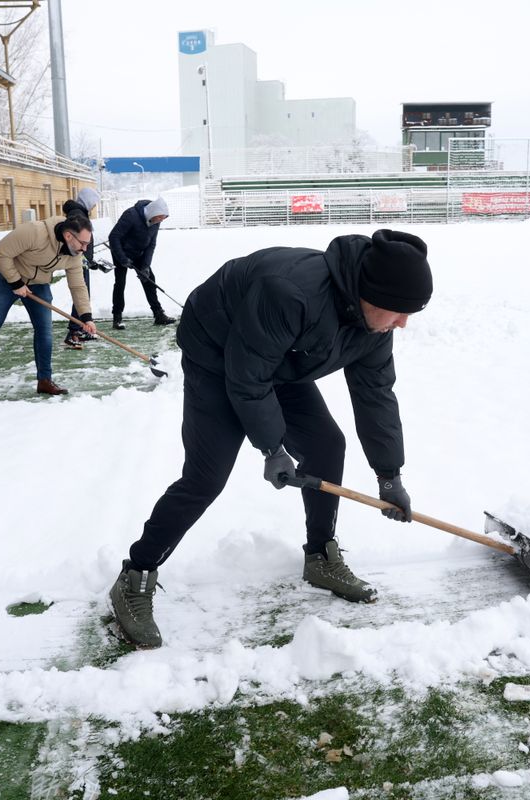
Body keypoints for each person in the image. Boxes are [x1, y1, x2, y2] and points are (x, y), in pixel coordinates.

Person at [108, 229, 433, 648]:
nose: (402, 324)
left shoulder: (374, 326)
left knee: (326, 446)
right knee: (206, 477)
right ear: (368, 293)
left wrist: (389, 475)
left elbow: (376, 396)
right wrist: (272, 447)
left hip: (279, 358)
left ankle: (320, 557)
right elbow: (246, 376)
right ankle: (135, 574)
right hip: (216, 350)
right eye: (398, 311)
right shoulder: (291, 292)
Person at [0, 213, 98, 401]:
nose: (85, 248)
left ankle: (44, 380)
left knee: (44, 330)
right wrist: (15, 282)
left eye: (87, 244)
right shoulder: (35, 232)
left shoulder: (75, 254)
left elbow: (77, 285)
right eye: (83, 243)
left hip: (38, 284)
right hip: (6, 279)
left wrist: (86, 316)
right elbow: (1, 252)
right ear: (68, 236)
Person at [107, 197, 175, 329]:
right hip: (121, 251)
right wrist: (122, 258)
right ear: (153, 213)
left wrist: (145, 265)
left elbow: (151, 244)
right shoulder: (131, 215)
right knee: (120, 283)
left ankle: (158, 314)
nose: (161, 221)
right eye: (160, 217)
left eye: (163, 218)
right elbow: (113, 236)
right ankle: (117, 318)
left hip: (139, 253)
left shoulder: (156, 221)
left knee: (149, 279)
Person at [61, 188, 102, 349]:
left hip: (82, 259)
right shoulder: (77, 214)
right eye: (92, 203)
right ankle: (73, 331)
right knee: (81, 294)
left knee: (84, 294)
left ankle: (79, 329)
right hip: (78, 261)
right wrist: (85, 259)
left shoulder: (79, 212)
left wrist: (89, 259)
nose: (93, 207)